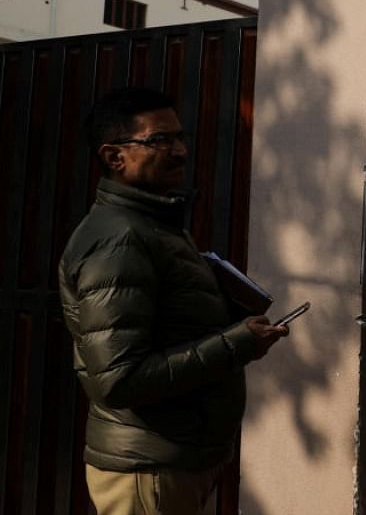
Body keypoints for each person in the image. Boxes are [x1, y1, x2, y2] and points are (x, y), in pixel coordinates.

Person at [58, 87, 288, 515]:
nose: (178, 150)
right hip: (149, 467)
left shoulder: (152, 225)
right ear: (114, 157)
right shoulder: (119, 238)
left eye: (180, 137)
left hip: (171, 460)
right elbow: (118, 380)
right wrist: (235, 344)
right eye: (159, 140)